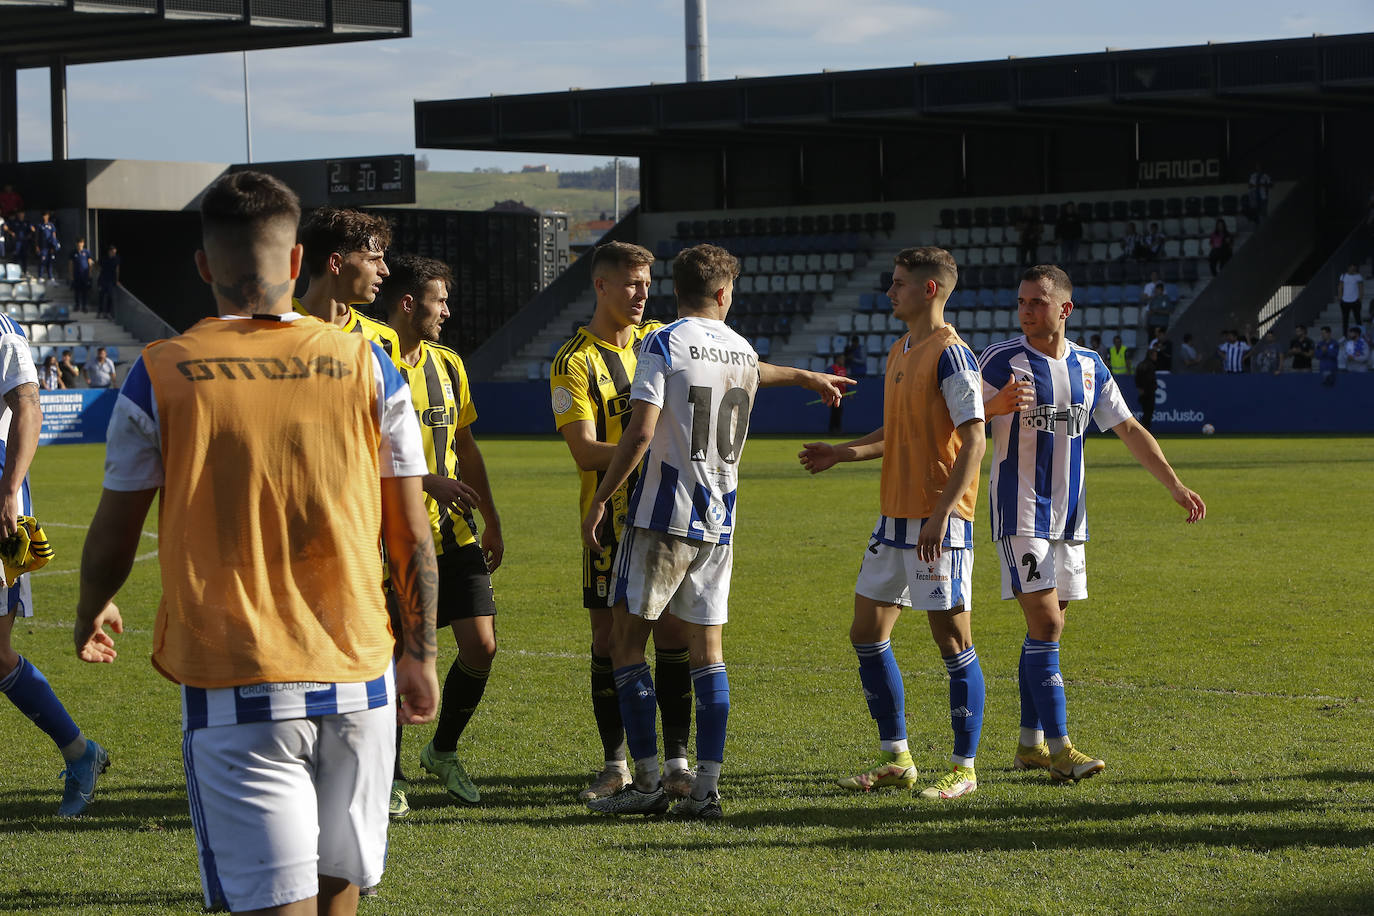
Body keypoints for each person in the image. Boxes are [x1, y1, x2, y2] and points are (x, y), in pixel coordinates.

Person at [73, 170, 439, 916]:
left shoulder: (160, 373)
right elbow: (411, 535)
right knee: (340, 893)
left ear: (204, 266)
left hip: (239, 680)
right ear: (298, 263)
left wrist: (93, 604)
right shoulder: (368, 364)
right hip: (360, 678)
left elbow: (116, 531)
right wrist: (422, 653)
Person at [581, 243, 848, 819]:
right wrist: (805, 376)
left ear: (675, 289)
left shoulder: (662, 341)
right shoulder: (741, 348)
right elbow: (757, 372)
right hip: (719, 520)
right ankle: (705, 789)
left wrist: (602, 499)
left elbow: (641, 432)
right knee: (709, 654)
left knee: (625, 646)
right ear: (724, 293)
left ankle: (648, 782)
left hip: (660, 514)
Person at [979, 264, 1206, 784]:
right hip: (1019, 512)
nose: (1027, 311)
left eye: (1037, 301)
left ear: (1065, 308)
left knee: (1046, 633)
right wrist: (994, 405)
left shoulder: (1089, 366)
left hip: (1071, 518)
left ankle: (1029, 746)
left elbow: (1127, 427)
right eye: (1022, 302)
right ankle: (1062, 751)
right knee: (1048, 626)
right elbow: (954, 417)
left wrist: (1173, 485)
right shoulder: (1001, 360)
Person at [798, 246, 988, 801]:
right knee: (866, 633)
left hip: (937, 521)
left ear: (930, 289)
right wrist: (843, 453)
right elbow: (896, 434)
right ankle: (897, 758)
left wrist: (943, 513)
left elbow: (975, 440)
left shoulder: (953, 356)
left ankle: (963, 768)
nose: (890, 291)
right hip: (894, 519)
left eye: (900, 283)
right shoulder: (901, 349)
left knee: (951, 640)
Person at [549, 240, 695, 802]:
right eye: (632, 283)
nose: (642, 294)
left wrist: (805, 378)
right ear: (601, 286)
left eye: (646, 283)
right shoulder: (574, 361)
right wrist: (651, 448)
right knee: (609, 640)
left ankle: (677, 761)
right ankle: (616, 765)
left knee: (675, 634)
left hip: (668, 516)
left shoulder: (661, 339)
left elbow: (733, 362)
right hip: (611, 523)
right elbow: (585, 451)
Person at [381, 253, 503, 814]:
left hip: (454, 533)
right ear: (409, 303)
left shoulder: (449, 364)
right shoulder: (367, 360)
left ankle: (442, 750)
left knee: (481, 644)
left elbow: (468, 445)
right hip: (390, 537)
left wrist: (494, 518)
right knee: (398, 654)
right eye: (440, 301)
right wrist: (426, 480)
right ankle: (389, 773)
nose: (447, 311)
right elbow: (351, 451)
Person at [0, 308, 108, 818]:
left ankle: (80, 752)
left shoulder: (2, 329)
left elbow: (29, 408)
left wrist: (7, 496)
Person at [295, 207, 401, 358]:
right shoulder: (271, 326)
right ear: (336, 263)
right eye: (373, 259)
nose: (385, 270)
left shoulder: (385, 341)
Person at [1134, 346, 1158, 431]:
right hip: (1149, 392)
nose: (1156, 357)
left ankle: (1144, 429)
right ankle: (1145, 430)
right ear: (1151, 355)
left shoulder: (1141, 365)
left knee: (1146, 412)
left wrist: (1140, 389)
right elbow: (1150, 379)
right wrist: (1154, 386)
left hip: (1143, 392)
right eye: (1155, 355)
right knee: (1148, 412)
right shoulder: (1150, 366)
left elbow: (1137, 378)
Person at [1335, 264, 1362, 335]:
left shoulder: (1358, 276)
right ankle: (1345, 335)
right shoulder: (1343, 276)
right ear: (1348, 268)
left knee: (1358, 319)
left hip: (1355, 300)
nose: (1353, 270)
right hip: (1345, 301)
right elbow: (1340, 287)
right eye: (1351, 268)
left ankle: (1361, 334)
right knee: (1345, 320)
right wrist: (1340, 297)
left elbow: (1361, 288)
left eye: (1354, 269)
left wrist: (1360, 298)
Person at [69, 238, 94, 312]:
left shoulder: (86, 252)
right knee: (77, 291)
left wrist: (90, 273)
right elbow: (70, 264)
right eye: (78, 243)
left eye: (81, 243)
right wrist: (71, 275)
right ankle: (77, 305)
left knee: (84, 291)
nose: (79, 244)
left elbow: (90, 263)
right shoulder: (73, 252)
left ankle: (84, 306)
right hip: (76, 274)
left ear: (83, 244)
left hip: (85, 275)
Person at [96, 244, 121, 318]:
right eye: (112, 252)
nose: (113, 253)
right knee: (101, 296)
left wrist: (117, 280)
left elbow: (117, 269)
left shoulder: (117, 259)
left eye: (114, 252)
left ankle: (107, 312)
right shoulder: (104, 258)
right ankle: (99, 312)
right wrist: (99, 270)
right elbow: (97, 265)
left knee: (110, 296)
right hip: (102, 279)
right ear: (109, 252)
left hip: (111, 280)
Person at [35, 213, 59, 282]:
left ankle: (50, 277)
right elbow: (37, 237)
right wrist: (36, 246)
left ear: (48, 216)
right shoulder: (40, 225)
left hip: (50, 246)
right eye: (43, 215)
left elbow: (54, 236)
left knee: (50, 262)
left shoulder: (51, 225)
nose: (44, 217)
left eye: (46, 215)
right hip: (43, 247)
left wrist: (53, 246)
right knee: (42, 261)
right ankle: (40, 276)